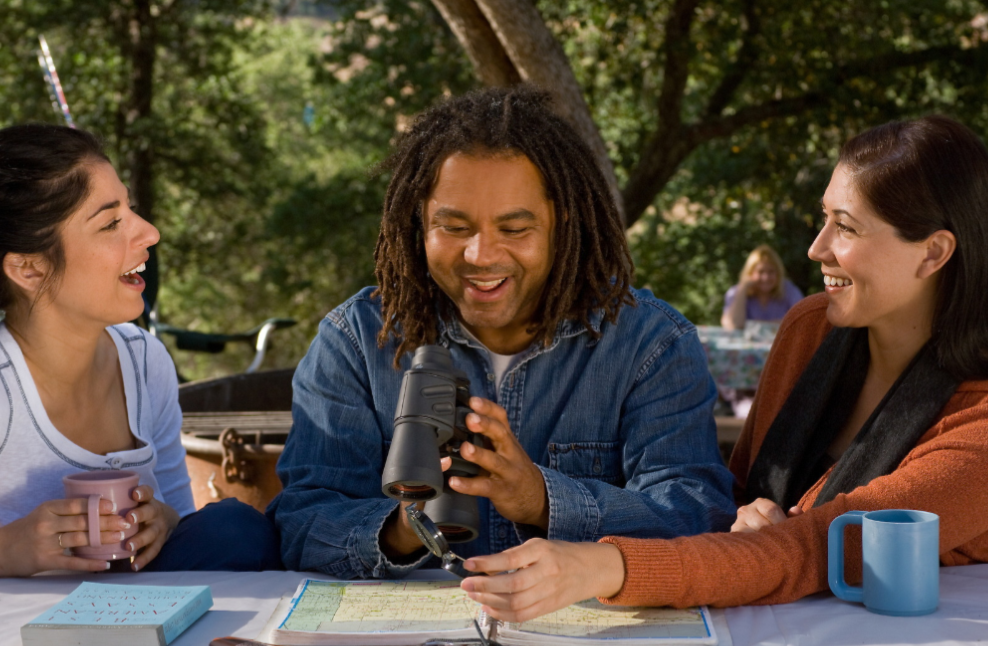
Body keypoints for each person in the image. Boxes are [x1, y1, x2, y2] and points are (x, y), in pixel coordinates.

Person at [458, 115, 988, 618]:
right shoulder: (810, 329)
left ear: (933, 253)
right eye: (823, 218)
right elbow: (732, 498)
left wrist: (602, 567)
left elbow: (820, 546)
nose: (815, 248)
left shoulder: (980, 420)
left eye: (845, 227)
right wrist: (745, 517)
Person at [267, 87, 736, 578]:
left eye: (514, 230)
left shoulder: (651, 344)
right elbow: (300, 524)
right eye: (453, 227)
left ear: (561, 221)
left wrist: (543, 502)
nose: (481, 255)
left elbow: (696, 515)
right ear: (418, 223)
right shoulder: (357, 341)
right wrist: (403, 529)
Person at [0, 123, 281, 577]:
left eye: (132, 209)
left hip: (130, 614)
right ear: (28, 268)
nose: (150, 233)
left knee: (236, 529)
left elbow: (185, 524)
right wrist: (6, 549)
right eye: (110, 223)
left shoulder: (145, 362)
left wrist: (163, 522)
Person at [721, 244, 803, 330]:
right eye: (760, 272)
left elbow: (802, 320)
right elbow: (732, 325)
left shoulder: (789, 290)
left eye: (771, 272)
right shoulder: (735, 292)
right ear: (750, 272)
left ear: (778, 273)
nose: (766, 278)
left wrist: (755, 326)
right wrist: (743, 289)